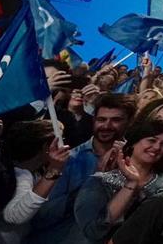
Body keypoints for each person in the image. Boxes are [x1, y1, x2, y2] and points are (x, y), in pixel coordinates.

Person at [27, 93, 135, 243]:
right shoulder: (70, 159)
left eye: (116, 120)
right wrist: (93, 184)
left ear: (129, 122)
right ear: (94, 120)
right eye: (101, 119)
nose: (107, 126)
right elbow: (43, 215)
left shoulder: (135, 161)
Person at [73, 119, 163, 243]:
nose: (157, 147)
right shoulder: (100, 182)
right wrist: (131, 184)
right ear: (134, 142)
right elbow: (93, 231)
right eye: (152, 140)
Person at [0, 119, 70, 244]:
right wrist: (54, 170)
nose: (63, 146)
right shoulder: (20, 175)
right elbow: (15, 216)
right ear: (46, 147)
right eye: (61, 141)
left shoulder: (34, 172)